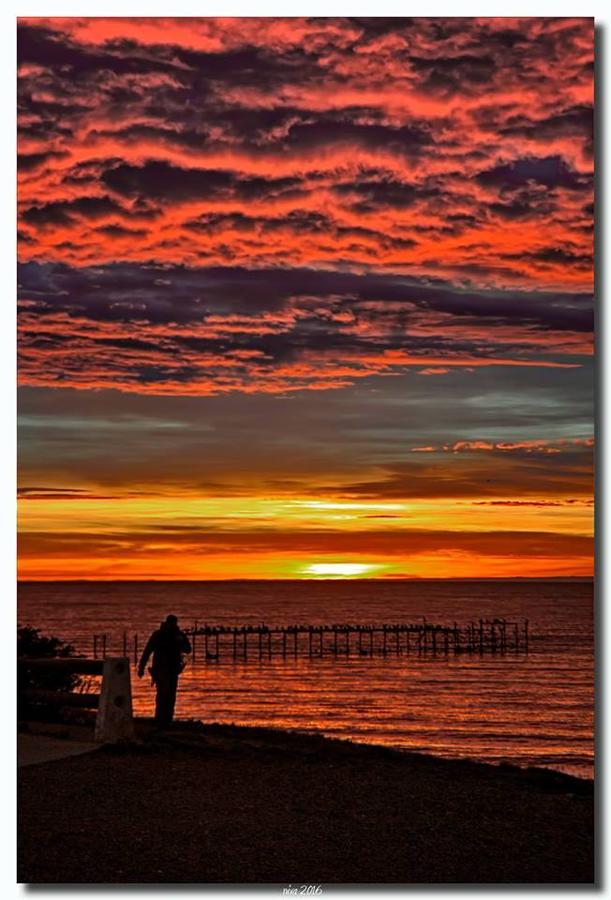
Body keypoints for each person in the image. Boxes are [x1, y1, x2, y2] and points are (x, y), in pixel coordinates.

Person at [137, 614, 192, 728]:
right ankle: (160, 720)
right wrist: (141, 667)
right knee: (163, 694)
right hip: (161, 670)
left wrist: (181, 640)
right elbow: (147, 651)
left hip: (172, 670)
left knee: (170, 695)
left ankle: (166, 720)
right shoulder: (159, 635)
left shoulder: (176, 635)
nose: (173, 625)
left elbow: (188, 649)